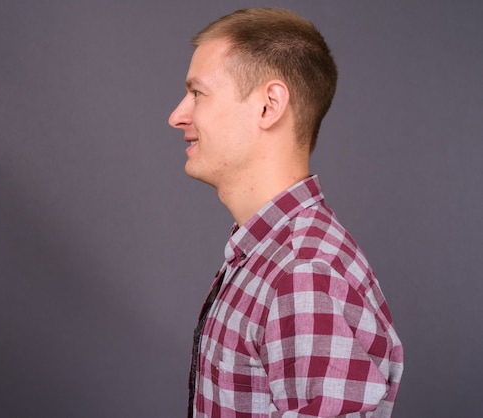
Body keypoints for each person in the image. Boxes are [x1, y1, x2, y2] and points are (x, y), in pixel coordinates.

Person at [168, 8, 403, 417]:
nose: (177, 116)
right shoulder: (268, 256)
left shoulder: (304, 272)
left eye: (198, 93)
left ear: (269, 106)